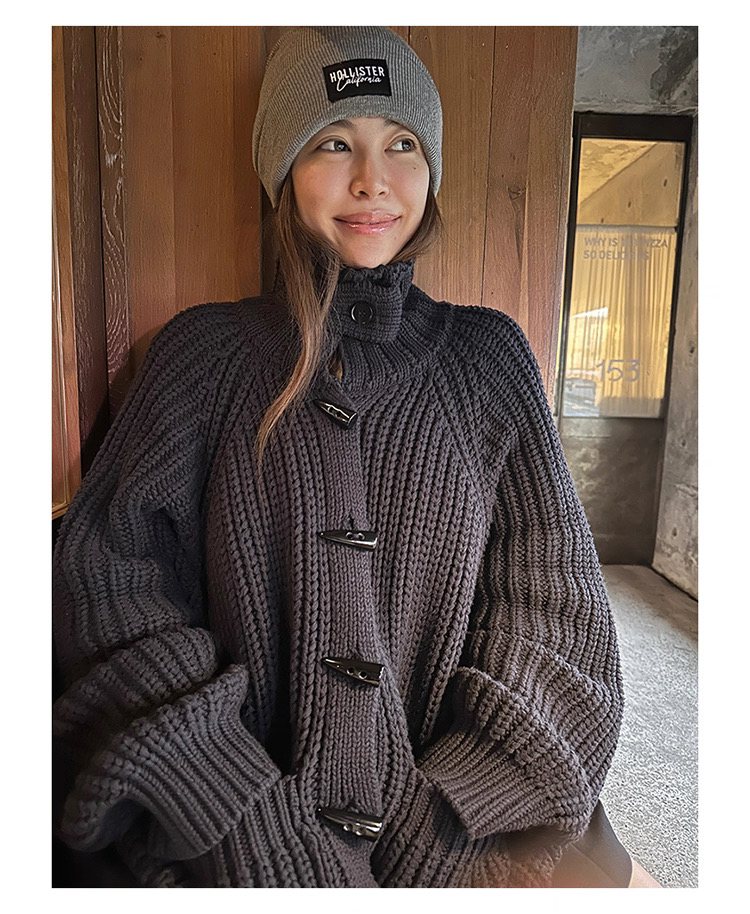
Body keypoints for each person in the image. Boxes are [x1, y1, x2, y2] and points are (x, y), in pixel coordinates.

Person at [52, 26, 644, 888]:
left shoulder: (488, 362)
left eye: (402, 144)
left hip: (466, 851)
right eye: (334, 143)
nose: (373, 179)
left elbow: (554, 621)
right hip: (225, 853)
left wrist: (443, 828)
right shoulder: (200, 356)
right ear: (282, 169)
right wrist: (248, 826)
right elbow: (111, 596)